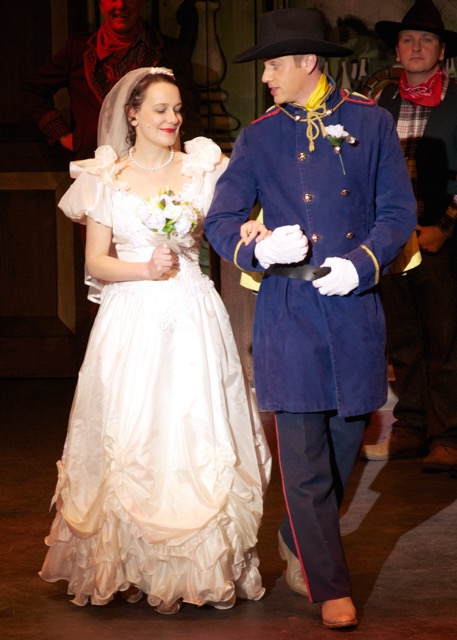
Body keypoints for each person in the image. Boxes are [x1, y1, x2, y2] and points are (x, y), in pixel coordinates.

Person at [204, 8, 417, 629]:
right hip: (290, 309)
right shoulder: (259, 137)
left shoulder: (371, 123)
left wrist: (363, 264)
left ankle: (296, 538)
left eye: (273, 64)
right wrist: (259, 250)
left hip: (352, 304)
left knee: (344, 443)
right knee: (301, 454)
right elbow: (220, 220)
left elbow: (397, 212)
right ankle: (331, 587)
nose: (265, 76)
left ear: (307, 61)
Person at [39, 67, 271, 614]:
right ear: (133, 114)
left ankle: (197, 567)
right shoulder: (106, 175)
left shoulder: (201, 168)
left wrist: (252, 227)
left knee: (191, 426)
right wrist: (143, 269)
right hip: (131, 319)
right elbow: (97, 262)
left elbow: (230, 221)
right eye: (161, 110)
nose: (173, 119)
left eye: (178, 110)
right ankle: (125, 563)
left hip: (192, 314)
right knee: (132, 430)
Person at [359, 0, 457, 474]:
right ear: (397, 49)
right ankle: (412, 428)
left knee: (446, 342)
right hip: (392, 240)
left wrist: (445, 227)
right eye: (408, 40)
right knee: (403, 341)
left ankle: (449, 436)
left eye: (426, 40)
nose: (416, 47)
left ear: (441, 51)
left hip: (441, 238)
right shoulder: (380, 104)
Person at [23, 0, 202, 160]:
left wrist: (194, 158)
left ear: (141, 3)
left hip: (152, 162)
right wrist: (62, 135)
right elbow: (33, 89)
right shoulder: (78, 48)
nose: (120, 5)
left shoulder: (171, 51)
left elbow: (188, 110)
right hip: (93, 160)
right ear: (101, 4)